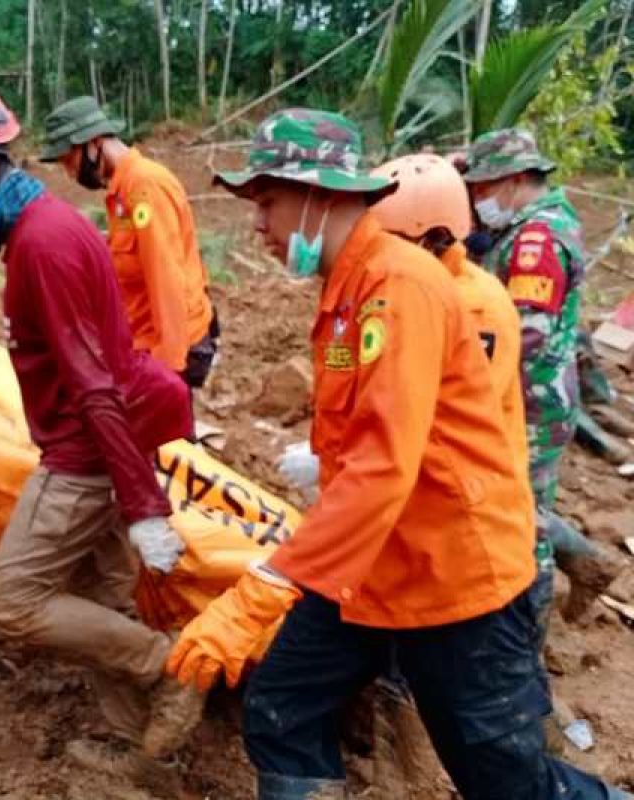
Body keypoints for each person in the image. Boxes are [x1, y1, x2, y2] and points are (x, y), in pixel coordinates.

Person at [169, 108, 628, 800]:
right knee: (282, 706)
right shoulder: (349, 289)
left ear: (320, 195)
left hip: (452, 576)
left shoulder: (398, 286)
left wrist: (264, 587)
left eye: (265, 203)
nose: (256, 226)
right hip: (369, 565)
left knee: (505, 782)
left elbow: (382, 468)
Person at [0, 78, 204, 783]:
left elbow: (94, 382)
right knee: (101, 601)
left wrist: (143, 505)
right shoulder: (41, 230)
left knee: (10, 599)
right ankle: (147, 753)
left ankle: (170, 669)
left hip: (87, 450)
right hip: (95, 435)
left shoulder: (45, 243)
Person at [462, 128, 622, 623]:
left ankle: (526, 637)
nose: (476, 200)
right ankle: (579, 564)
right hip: (534, 395)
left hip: (530, 400)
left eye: (481, 189)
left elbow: (525, 331)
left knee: (516, 518)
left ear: (512, 180)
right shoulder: (535, 224)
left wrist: (463, 379)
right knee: (516, 507)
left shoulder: (537, 239)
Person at [40, 96, 218, 390]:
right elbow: (129, 254)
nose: (70, 174)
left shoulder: (144, 187)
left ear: (94, 143)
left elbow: (166, 280)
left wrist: (168, 372)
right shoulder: (122, 192)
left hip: (168, 349)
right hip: (142, 342)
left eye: (69, 161)